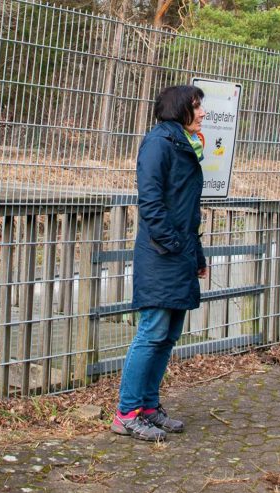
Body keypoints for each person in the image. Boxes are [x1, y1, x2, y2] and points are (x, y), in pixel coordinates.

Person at [111, 85, 209, 442]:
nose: (202, 113)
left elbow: (187, 211)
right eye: (197, 107)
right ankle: (126, 413)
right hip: (161, 255)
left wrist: (195, 255)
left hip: (179, 253)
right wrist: (174, 246)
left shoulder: (183, 144)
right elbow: (150, 203)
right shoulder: (158, 144)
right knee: (151, 332)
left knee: (167, 336)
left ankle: (149, 408)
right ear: (179, 109)